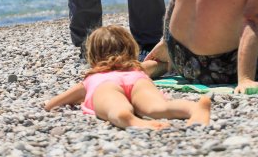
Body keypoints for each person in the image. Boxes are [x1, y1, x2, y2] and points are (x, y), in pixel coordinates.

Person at [44, 25, 210, 129]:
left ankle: (126, 117)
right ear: (132, 49)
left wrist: (50, 104)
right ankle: (194, 108)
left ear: (92, 56)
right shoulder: (137, 69)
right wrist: (165, 64)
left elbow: (53, 104)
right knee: (158, 107)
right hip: (137, 81)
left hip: (104, 85)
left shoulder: (91, 79)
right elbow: (156, 66)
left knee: (114, 106)